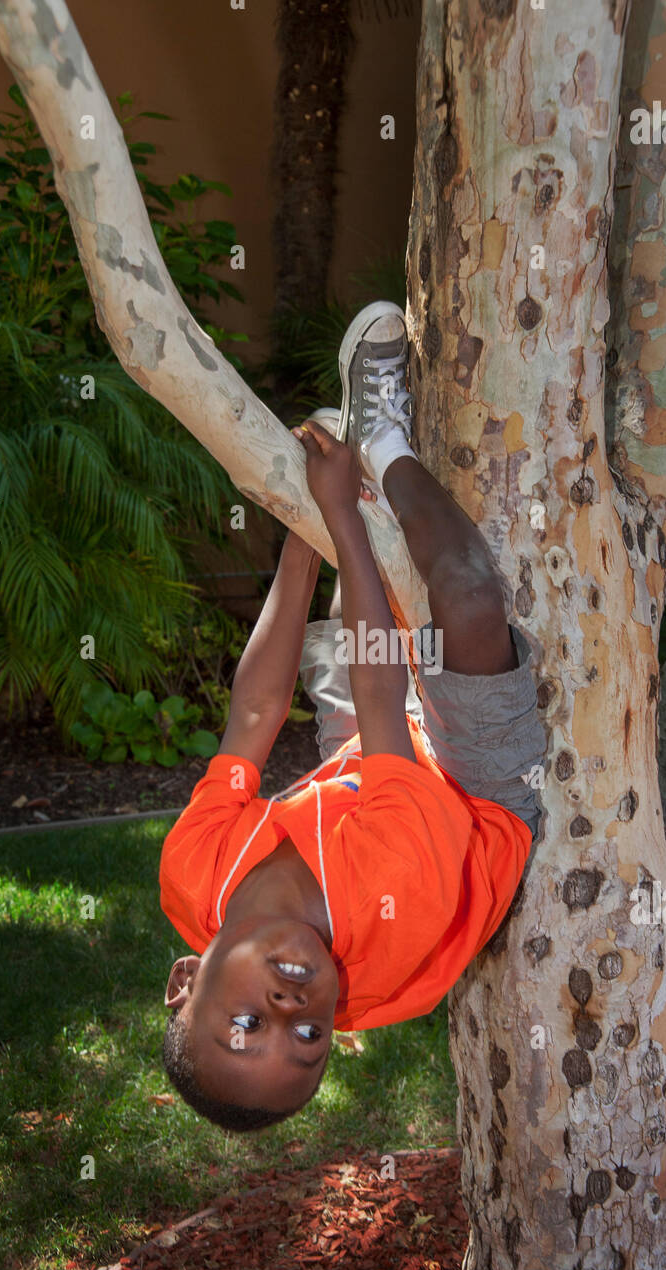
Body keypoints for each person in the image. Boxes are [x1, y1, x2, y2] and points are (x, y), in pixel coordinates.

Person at [159, 302, 547, 1132]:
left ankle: (352, 482)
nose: (290, 1006)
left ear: (185, 981)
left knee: (350, 612)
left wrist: (302, 537)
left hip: (356, 787)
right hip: (468, 808)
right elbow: (383, 690)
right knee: (470, 605)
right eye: (307, 1035)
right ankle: (385, 445)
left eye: (245, 1022)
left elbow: (258, 711)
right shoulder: (386, 904)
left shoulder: (194, 876)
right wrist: (338, 513)